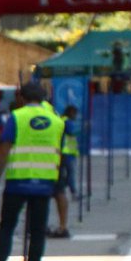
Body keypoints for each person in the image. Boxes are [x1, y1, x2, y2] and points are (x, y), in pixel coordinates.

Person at [0, 82, 62, 261]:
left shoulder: (16, 117)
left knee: (7, 226)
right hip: (44, 182)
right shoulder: (56, 120)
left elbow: (3, 150)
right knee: (37, 231)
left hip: (17, 181)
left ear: (21, 98)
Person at [52, 102, 79, 238]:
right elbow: (72, 132)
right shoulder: (65, 121)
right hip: (64, 154)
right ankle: (73, 191)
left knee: (66, 179)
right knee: (69, 176)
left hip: (64, 154)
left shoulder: (60, 119)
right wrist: (82, 129)